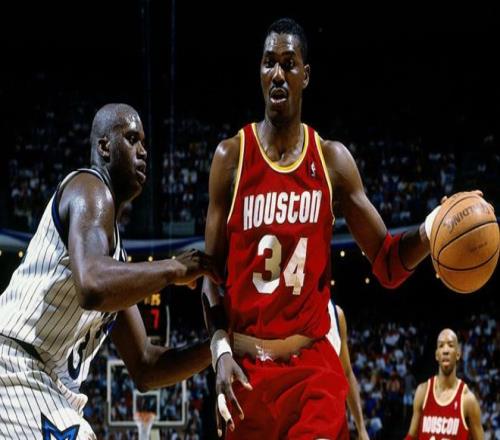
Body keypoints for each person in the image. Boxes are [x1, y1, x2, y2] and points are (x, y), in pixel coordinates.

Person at [202, 18, 450, 439]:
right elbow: (210, 277)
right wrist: (219, 349)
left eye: (288, 63)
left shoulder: (332, 161)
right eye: (268, 63)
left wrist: (429, 231)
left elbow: (388, 264)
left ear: (305, 75)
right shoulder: (231, 158)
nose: (277, 74)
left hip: (312, 372)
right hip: (247, 370)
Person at [0, 103, 219, 438]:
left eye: (144, 143)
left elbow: (146, 366)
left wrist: (218, 344)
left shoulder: (112, 262)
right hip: (15, 366)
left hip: (44, 386)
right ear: (104, 146)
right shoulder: (89, 188)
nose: (143, 151)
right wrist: (176, 268)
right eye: (132, 139)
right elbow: (92, 286)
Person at [406, 328, 484, 440]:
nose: (445, 350)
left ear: (458, 354)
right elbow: (411, 437)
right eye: (441, 345)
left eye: (450, 345)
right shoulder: (422, 391)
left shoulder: (468, 400)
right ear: (437, 355)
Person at [327, 303, 369, 440]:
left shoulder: (336, 314)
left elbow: (347, 373)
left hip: (328, 418)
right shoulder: (287, 308)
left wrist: (361, 428)